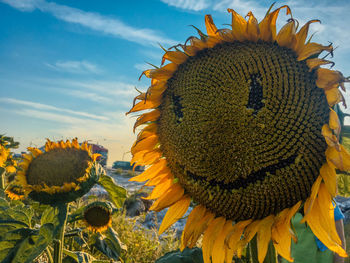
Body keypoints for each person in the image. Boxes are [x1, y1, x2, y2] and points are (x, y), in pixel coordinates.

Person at [280, 203, 346, 263]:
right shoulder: (287, 202)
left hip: (322, 259)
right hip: (293, 259)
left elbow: (340, 242)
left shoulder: (327, 201)